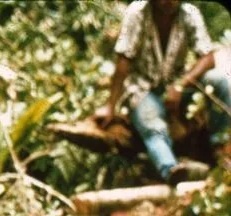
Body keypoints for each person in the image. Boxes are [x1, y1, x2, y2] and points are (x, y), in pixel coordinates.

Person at [95, 0, 230, 183]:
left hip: (178, 85)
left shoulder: (189, 13)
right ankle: (172, 172)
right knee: (154, 128)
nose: (169, 2)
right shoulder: (137, 12)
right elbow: (123, 61)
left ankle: (222, 150)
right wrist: (111, 108)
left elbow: (208, 58)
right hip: (142, 89)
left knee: (220, 82)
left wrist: (181, 84)